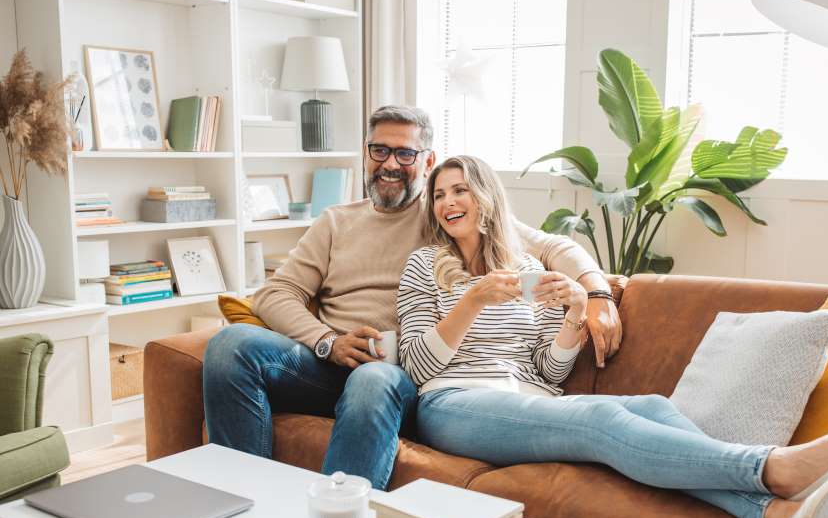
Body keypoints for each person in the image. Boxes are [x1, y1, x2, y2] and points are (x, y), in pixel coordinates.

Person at [397, 155, 828, 518]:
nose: (448, 202)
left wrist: (575, 309)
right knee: (599, 421)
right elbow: (418, 365)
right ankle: (775, 468)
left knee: (653, 408)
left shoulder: (528, 267)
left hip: (527, 397)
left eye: (460, 189)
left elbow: (547, 373)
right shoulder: (424, 266)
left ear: (486, 196)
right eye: (440, 194)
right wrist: (471, 300)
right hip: (453, 401)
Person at [202, 106, 622, 490]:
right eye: (379, 150)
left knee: (372, 378)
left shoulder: (447, 214)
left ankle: (341, 517)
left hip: (397, 371)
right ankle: (242, 497)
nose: (389, 164)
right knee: (228, 345)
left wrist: (597, 293)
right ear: (365, 154)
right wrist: (327, 340)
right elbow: (276, 294)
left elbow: (552, 247)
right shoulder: (336, 222)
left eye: (405, 154)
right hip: (328, 363)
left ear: (427, 161)